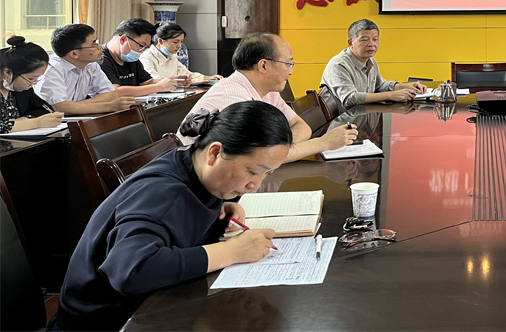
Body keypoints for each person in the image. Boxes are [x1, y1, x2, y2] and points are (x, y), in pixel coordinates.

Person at [52, 100, 293, 331]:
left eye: (267, 174)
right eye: (252, 171)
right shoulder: (163, 193)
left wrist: (222, 204)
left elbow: (179, 218)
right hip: (105, 322)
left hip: (150, 307)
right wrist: (232, 251)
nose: (255, 185)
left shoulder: (194, 167)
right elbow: (131, 270)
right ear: (214, 152)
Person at [178, 33, 357, 161]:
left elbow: (301, 126)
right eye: (288, 64)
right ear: (263, 65)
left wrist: (278, 149)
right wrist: (324, 143)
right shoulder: (235, 99)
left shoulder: (268, 91)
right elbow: (261, 157)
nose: (291, 71)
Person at [318, 19, 428, 115]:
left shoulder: (370, 60)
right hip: (344, 124)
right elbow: (350, 99)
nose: (371, 44)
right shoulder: (339, 65)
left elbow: (380, 86)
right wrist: (391, 95)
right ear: (350, 42)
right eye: (364, 40)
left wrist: (405, 87)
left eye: (375, 39)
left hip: (363, 117)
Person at [35, 24, 135, 115]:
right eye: (94, 44)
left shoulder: (91, 65)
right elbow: (59, 108)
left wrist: (74, 106)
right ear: (74, 54)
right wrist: (109, 106)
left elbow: (110, 94)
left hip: (76, 118)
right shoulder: (51, 70)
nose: (99, 47)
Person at [100, 18, 183, 96]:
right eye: (141, 46)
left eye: (146, 47)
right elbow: (115, 92)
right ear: (123, 40)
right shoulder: (100, 59)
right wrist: (159, 87)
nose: (142, 50)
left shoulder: (131, 58)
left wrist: (174, 82)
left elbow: (147, 82)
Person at [0, 36, 64, 133]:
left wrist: (21, 122)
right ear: (8, 72)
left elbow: (44, 110)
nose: (33, 83)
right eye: (31, 78)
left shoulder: (20, 89)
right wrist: (35, 123)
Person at [140, 21, 222, 85]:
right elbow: (155, 82)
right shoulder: (146, 57)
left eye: (181, 42)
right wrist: (193, 81)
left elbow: (187, 74)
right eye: (175, 42)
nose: (179, 46)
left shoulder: (171, 55)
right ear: (161, 41)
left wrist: (208, 78)